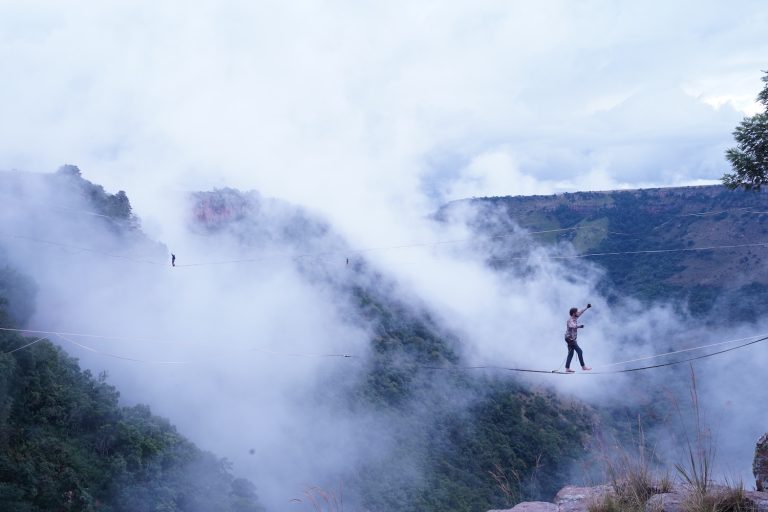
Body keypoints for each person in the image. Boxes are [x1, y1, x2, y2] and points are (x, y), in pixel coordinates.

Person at [564, 303, 592, 373]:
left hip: (570, 338)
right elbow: (572, 326)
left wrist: (587, 307)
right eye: (576, 312)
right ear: (573, 313)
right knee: (579, 351)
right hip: (570, 338)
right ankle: (583, 367)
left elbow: (581, 312)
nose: (578, 313)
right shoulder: (570, 320)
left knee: (571, 353)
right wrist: (579, 326)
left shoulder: (575, 317)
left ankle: (567, 368)